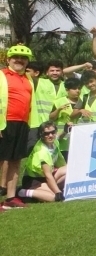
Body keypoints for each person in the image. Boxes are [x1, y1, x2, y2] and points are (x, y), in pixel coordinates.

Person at [0, 44, 36, 209]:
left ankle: (11, 198)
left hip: (22, 123)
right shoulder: (2, 75)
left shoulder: (28, 79)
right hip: (4, 123)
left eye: (23, 58)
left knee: (15, 161)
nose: (19, 60)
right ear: (8, 59)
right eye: (16, 57)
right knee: (2, 160)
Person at [17, 121, 67, 203]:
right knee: (54, 197)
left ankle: (46, 190)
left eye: (52, 132)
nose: (50, 135)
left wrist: (65, 130)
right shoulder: (42, 152)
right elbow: (48, 175)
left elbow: (58, 137)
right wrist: (58, 192)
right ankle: (22, 192)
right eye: (46, 134)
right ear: (41, 135)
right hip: (34, 180)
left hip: (45, 176)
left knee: (70, 169)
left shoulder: (54, 141)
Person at [50, 77, 81, 161]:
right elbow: (51, 118)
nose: (77, 90)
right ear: (67, 90)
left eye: (79, 88)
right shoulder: (59, 101)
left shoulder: (83, 101)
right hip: (62, 139)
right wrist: (58, 110)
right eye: (74, 88)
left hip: (78, 139)